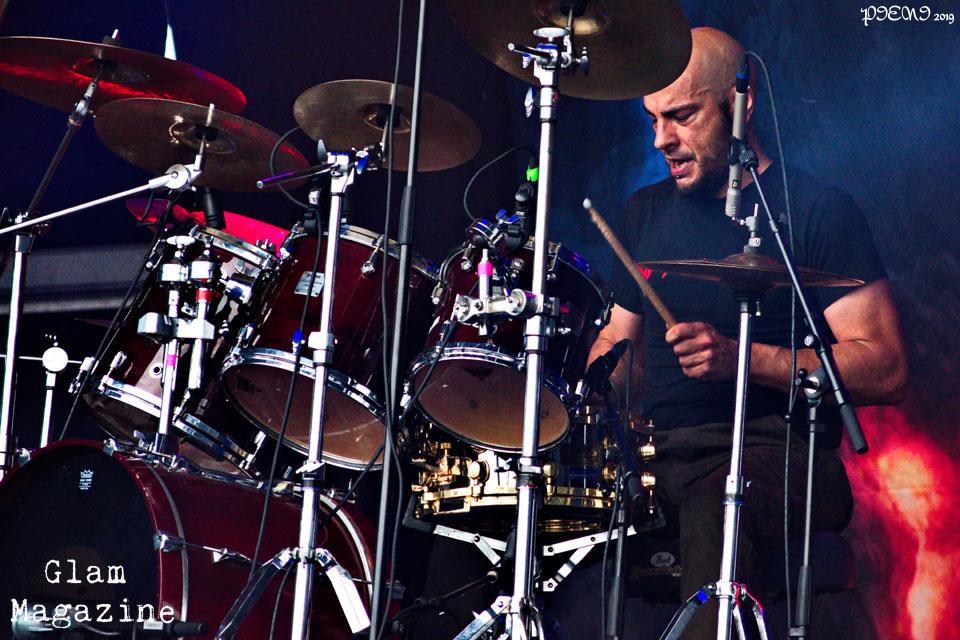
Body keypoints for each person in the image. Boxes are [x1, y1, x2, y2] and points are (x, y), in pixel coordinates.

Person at [586, 27, 908, 639]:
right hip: (663, 456)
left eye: (681, 116)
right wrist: (572, 399)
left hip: (783, 456)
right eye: (652, 119)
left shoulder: (816, 210)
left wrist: (742, 359)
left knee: (717, 505)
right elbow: (621, 348)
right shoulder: (642, 213)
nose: (661, 140)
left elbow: (886, 366)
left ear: (741, 104)